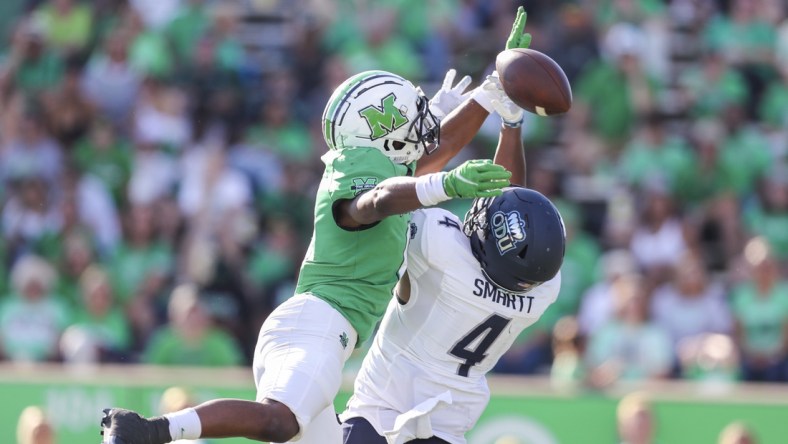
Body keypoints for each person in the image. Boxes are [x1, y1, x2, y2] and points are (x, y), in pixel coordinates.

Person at [99, 8, 533, 444]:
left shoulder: (378, 164)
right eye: (413, 115)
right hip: (319, 324)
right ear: (383, 134)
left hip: (323, 331)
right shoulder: (360, 167)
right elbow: (374, 202)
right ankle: (148, 430)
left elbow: (423, 161)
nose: (427, 122)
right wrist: (445, 184)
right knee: (278, 421)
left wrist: (491, 93)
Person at [339, 12, 567, 443]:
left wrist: (487, 96)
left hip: (379, 414)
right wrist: (512, 122)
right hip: (448, 427)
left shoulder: (443, 250)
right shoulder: (541, 289)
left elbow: (410, 177)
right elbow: (509, 200)